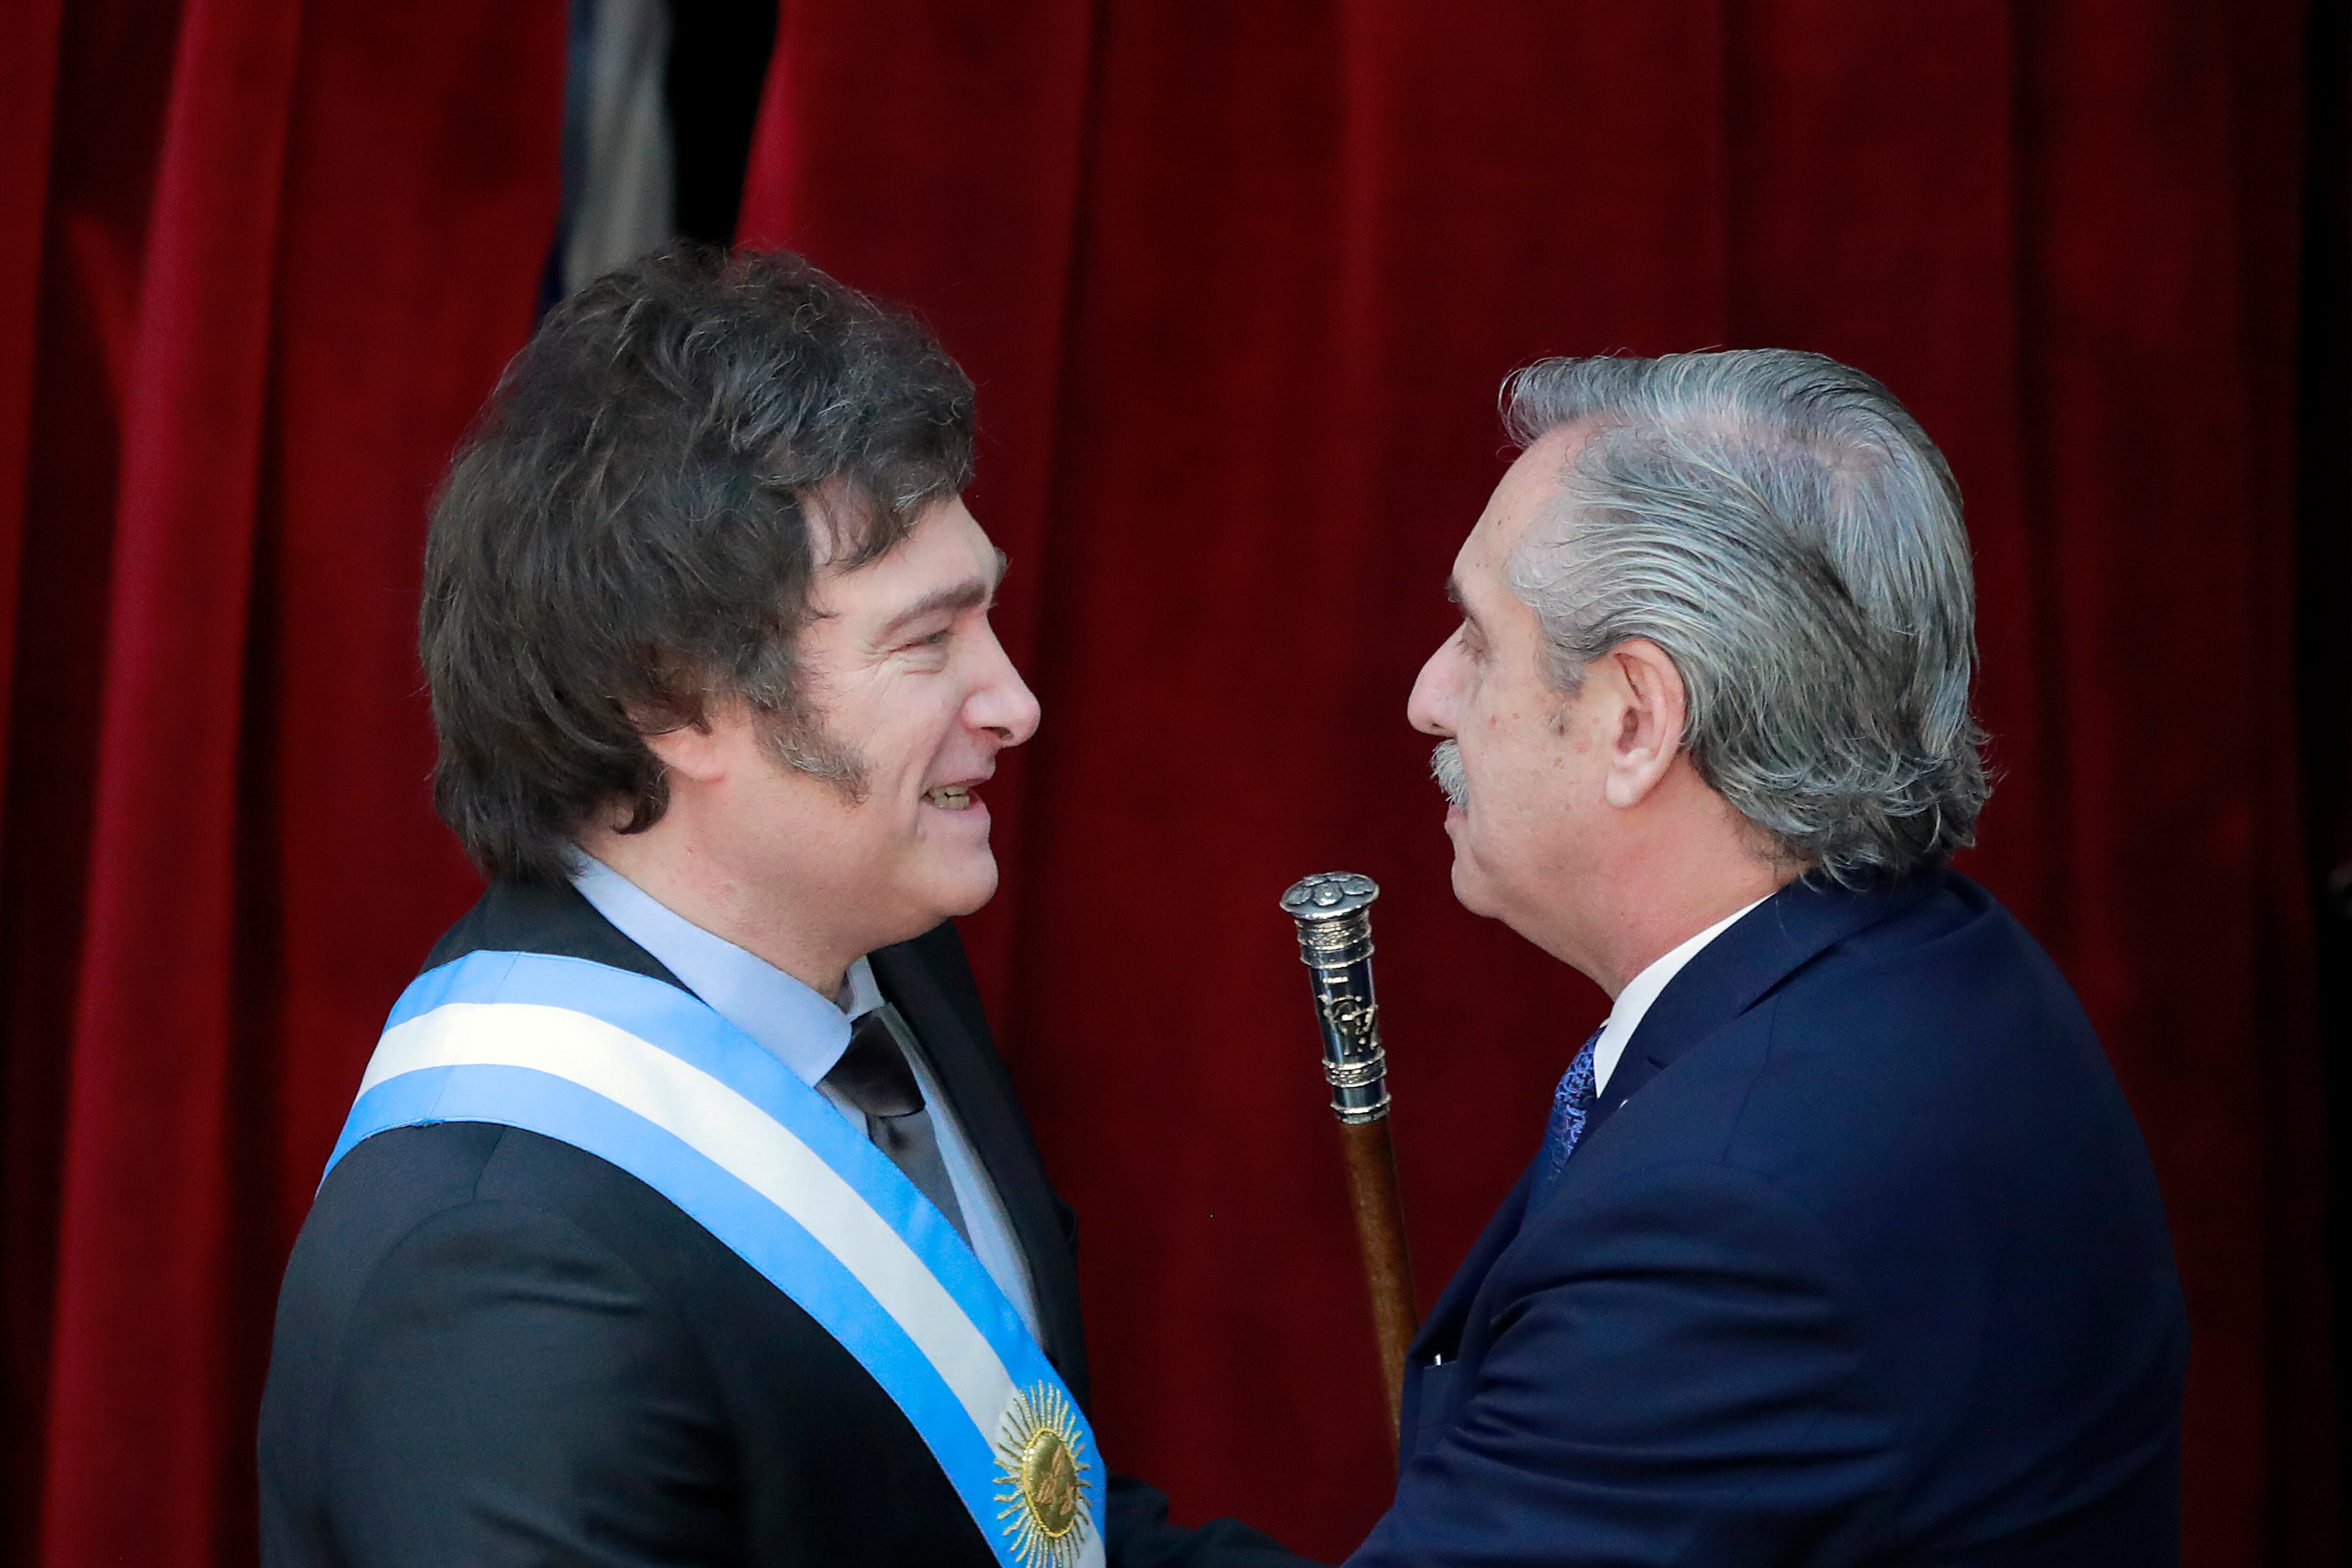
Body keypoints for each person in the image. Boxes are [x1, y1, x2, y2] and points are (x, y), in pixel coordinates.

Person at [256, 247, 1287, 1568]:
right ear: (675, 702)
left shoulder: (894, 966)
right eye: (929, 642)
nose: (1015, 702)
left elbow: (1037, 1527)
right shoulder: (495, 1265)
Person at [1347, 349, 2188, 1565]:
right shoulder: (1953, 965)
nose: (1431, 696)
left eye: (1478, 639)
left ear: (1636, 718)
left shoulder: (1726, 1222)